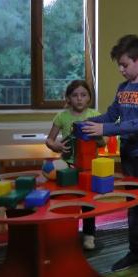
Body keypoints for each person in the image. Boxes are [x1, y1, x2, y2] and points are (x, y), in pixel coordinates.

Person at [81, 34, 138, 277]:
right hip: (129, 155)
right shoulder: (123, 89)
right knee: (134, 205)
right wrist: (86, 123)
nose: (121, 69)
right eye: (119, 65)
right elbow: (111, 116)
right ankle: (135, 252)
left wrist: (105, 130)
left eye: (124, 64)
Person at [45, 79, 98, 249]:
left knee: (88, 202)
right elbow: (49, 140)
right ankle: (67, 232)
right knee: (68, 200)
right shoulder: (62, 116)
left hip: (89, 166)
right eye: (75, 95)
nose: (79, 98)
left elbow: (103, 142)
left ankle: (89, 234)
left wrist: (98, 137)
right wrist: (56, 146)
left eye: (83, 95)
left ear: (89, 98)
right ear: (68, 98)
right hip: (68, 165)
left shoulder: (95, 115)